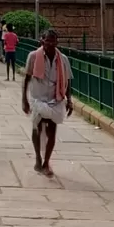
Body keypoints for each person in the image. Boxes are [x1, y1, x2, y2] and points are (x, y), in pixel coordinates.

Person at [22, 29, 73, 177]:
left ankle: (46, 162)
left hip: (55, 97)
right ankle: (38, 158)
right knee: (36, 126)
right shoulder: (33, 57)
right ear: (41, 41)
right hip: (38, 97)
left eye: (53, 41)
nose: (50, 43)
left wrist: (69, 100)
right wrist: (24, 99)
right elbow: (26, 79)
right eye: (47, 40)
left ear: (57, 42)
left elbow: (68, 81)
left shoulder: (63, 59)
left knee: (52, 129)